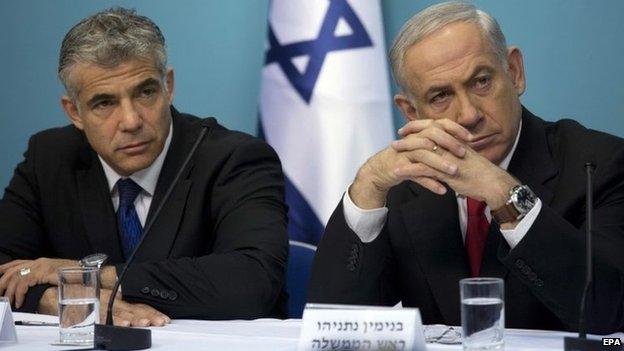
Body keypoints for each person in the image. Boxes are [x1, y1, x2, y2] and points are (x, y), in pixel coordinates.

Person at [309, 1, 624, 334]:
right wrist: (367, 188)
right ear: (412, 113)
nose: (469, 115)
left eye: (481, 82)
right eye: (441, 95)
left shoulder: (598, 166)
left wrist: (504, 193)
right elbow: (334, 323)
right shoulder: (407, 185)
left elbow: (608, 312)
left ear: (514, 72)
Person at [0, 7, 288, 326]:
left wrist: (85, 275)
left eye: (146, 92)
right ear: (74, 112)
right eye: (104, 103)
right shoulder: (49, 158)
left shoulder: (235, 158)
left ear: (169, 86)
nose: (131, 121)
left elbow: (252, 281)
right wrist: (60, 299)